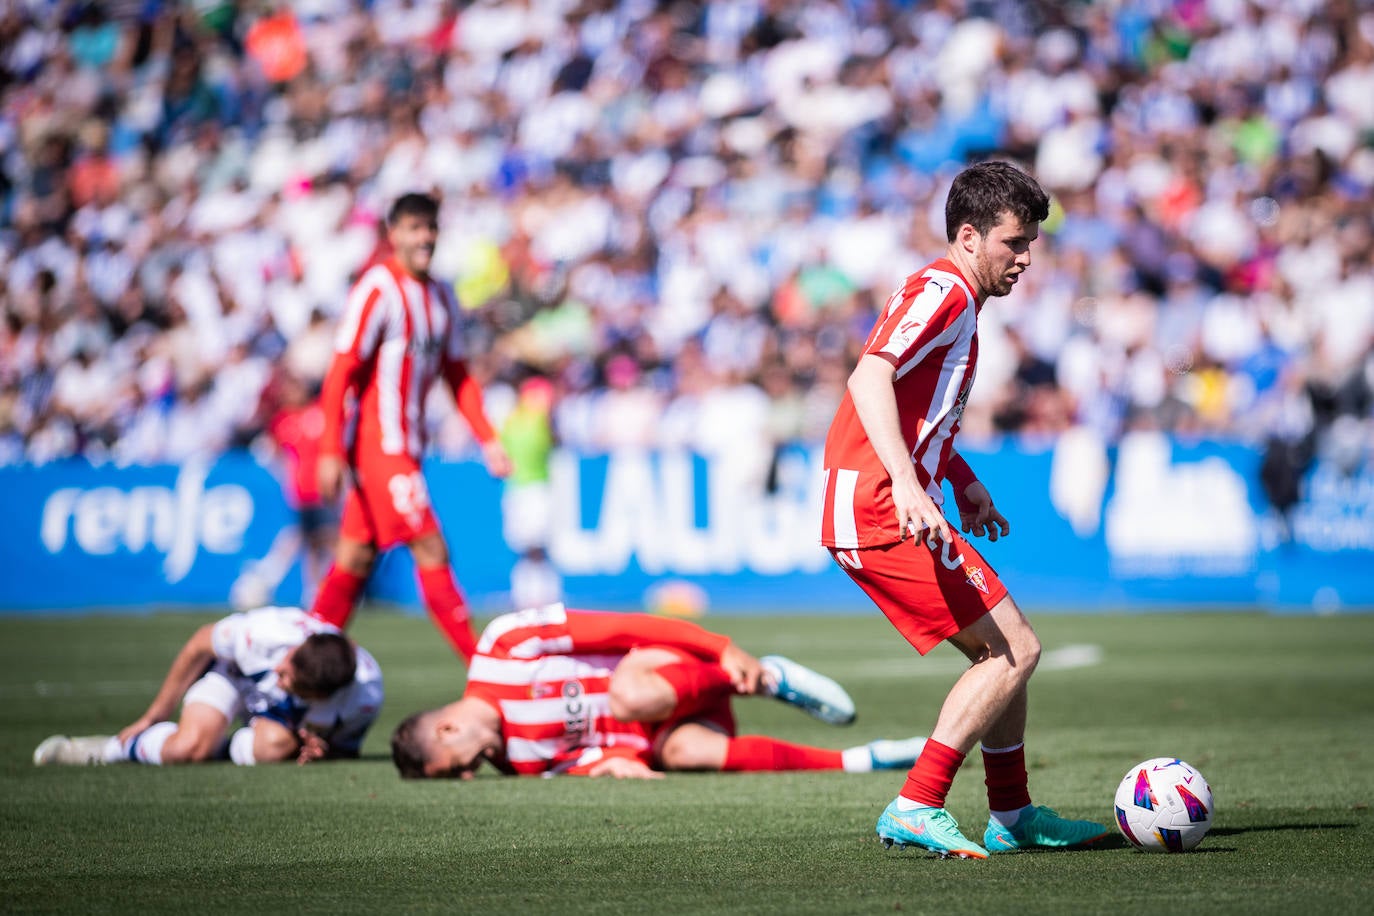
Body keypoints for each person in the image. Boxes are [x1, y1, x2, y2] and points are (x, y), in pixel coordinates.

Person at [819, 161, 1108, 858]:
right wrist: (911, 484)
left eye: (1033, 242)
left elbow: (919, 408)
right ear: (971, 236)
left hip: (888, 498)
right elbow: (870, 376)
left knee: (1002, 649)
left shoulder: (957, 300)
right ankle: (917, 802)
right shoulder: (944, 291)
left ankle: (1011, 814)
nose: (1027, 258)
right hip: (880, 506)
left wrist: (959, 475)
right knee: (1016, 649)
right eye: (1015, 242)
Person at [308, 193, 512, 662]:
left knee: (354, 561)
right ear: (393, 234)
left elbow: (457, 375)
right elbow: (342, 371)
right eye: (415, 228)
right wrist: (329, 449)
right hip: (377, 447)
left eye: (431, 228)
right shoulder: (378, 289)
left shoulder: (441, 297)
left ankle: (300, 665)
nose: (425, 238)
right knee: (430, 545)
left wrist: (489, 440)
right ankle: (489, 672)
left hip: (408, 447)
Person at [390, 602, 926, 780]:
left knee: (627, 696)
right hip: (671, 723)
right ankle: (859, 761)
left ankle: (764, 678)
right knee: (681, 753)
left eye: (453, 765)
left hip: (668, 671)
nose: (468, 772)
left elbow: (626, 628)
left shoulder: (503, 644)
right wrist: (624, 764)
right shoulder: (518, 762)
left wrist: (720, 649)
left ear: (447, 728)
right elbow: (598, 755)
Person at [33, 605, 383, 767]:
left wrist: (322, 751)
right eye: (286, 660)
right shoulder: (266, 633)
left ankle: (226, 742)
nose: (278, 669)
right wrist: (154, 714)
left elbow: (344, 749)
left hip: (279, 718)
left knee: (275, 748)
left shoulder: (364, 699)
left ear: (320, 696)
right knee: (187, 750)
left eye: (288, 678)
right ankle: (110, 750)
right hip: (236, 675)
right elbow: (200, 643)